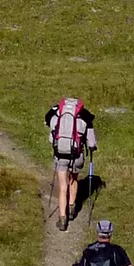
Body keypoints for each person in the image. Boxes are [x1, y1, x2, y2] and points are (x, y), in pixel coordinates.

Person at [45, 96, 97, 231]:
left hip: (60, 155)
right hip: (77, 155)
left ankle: (62, 219)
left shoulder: (57, 115)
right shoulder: (84, 116)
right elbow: (91, 143)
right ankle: (72, 208)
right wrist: (91, 147)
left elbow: (51, 138)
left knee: (63, 186)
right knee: (74, 180)